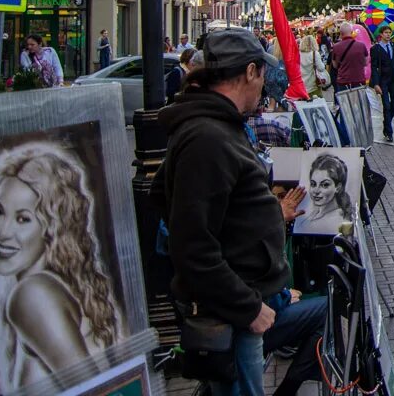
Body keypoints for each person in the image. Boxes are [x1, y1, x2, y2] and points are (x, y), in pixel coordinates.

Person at [152, 28, 326, 396]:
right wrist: (248, 307)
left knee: (324, 313)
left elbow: (221, 219)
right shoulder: (207, 137)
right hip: (234, 311)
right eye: (263, 74)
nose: (264, 85)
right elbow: (193, 245)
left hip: (247, 298)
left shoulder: (219, 127)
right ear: (250, 72)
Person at [0, 141, 125, 392]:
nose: (3, 233)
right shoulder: (55, 284)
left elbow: (93, 391)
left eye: (23, 219)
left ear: (51, 228)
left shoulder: (32, 295)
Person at [304, 153, 354, 226]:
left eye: (325, 185)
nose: (316, 191)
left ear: (338, 187)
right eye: (313, 184)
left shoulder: (337, 220)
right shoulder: (314, 214)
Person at [370, 31, 394, 140]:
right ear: (381, 35)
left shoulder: (393, 45)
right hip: (383, 80)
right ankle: (389, 132)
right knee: (386, 106)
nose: (388, 35)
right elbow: (373, 67)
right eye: (386, 33)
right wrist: (376, 83)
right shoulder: (375, 48)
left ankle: (386, 122)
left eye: (389, 33)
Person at [330, 21, 368, 94]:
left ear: (340, 33)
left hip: (343, 81)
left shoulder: (336, 47)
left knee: (345, 104)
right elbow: (365, 62)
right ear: (352, 32)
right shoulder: (361, 45)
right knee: (359, 103)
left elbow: (335, 65)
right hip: (359, 80)